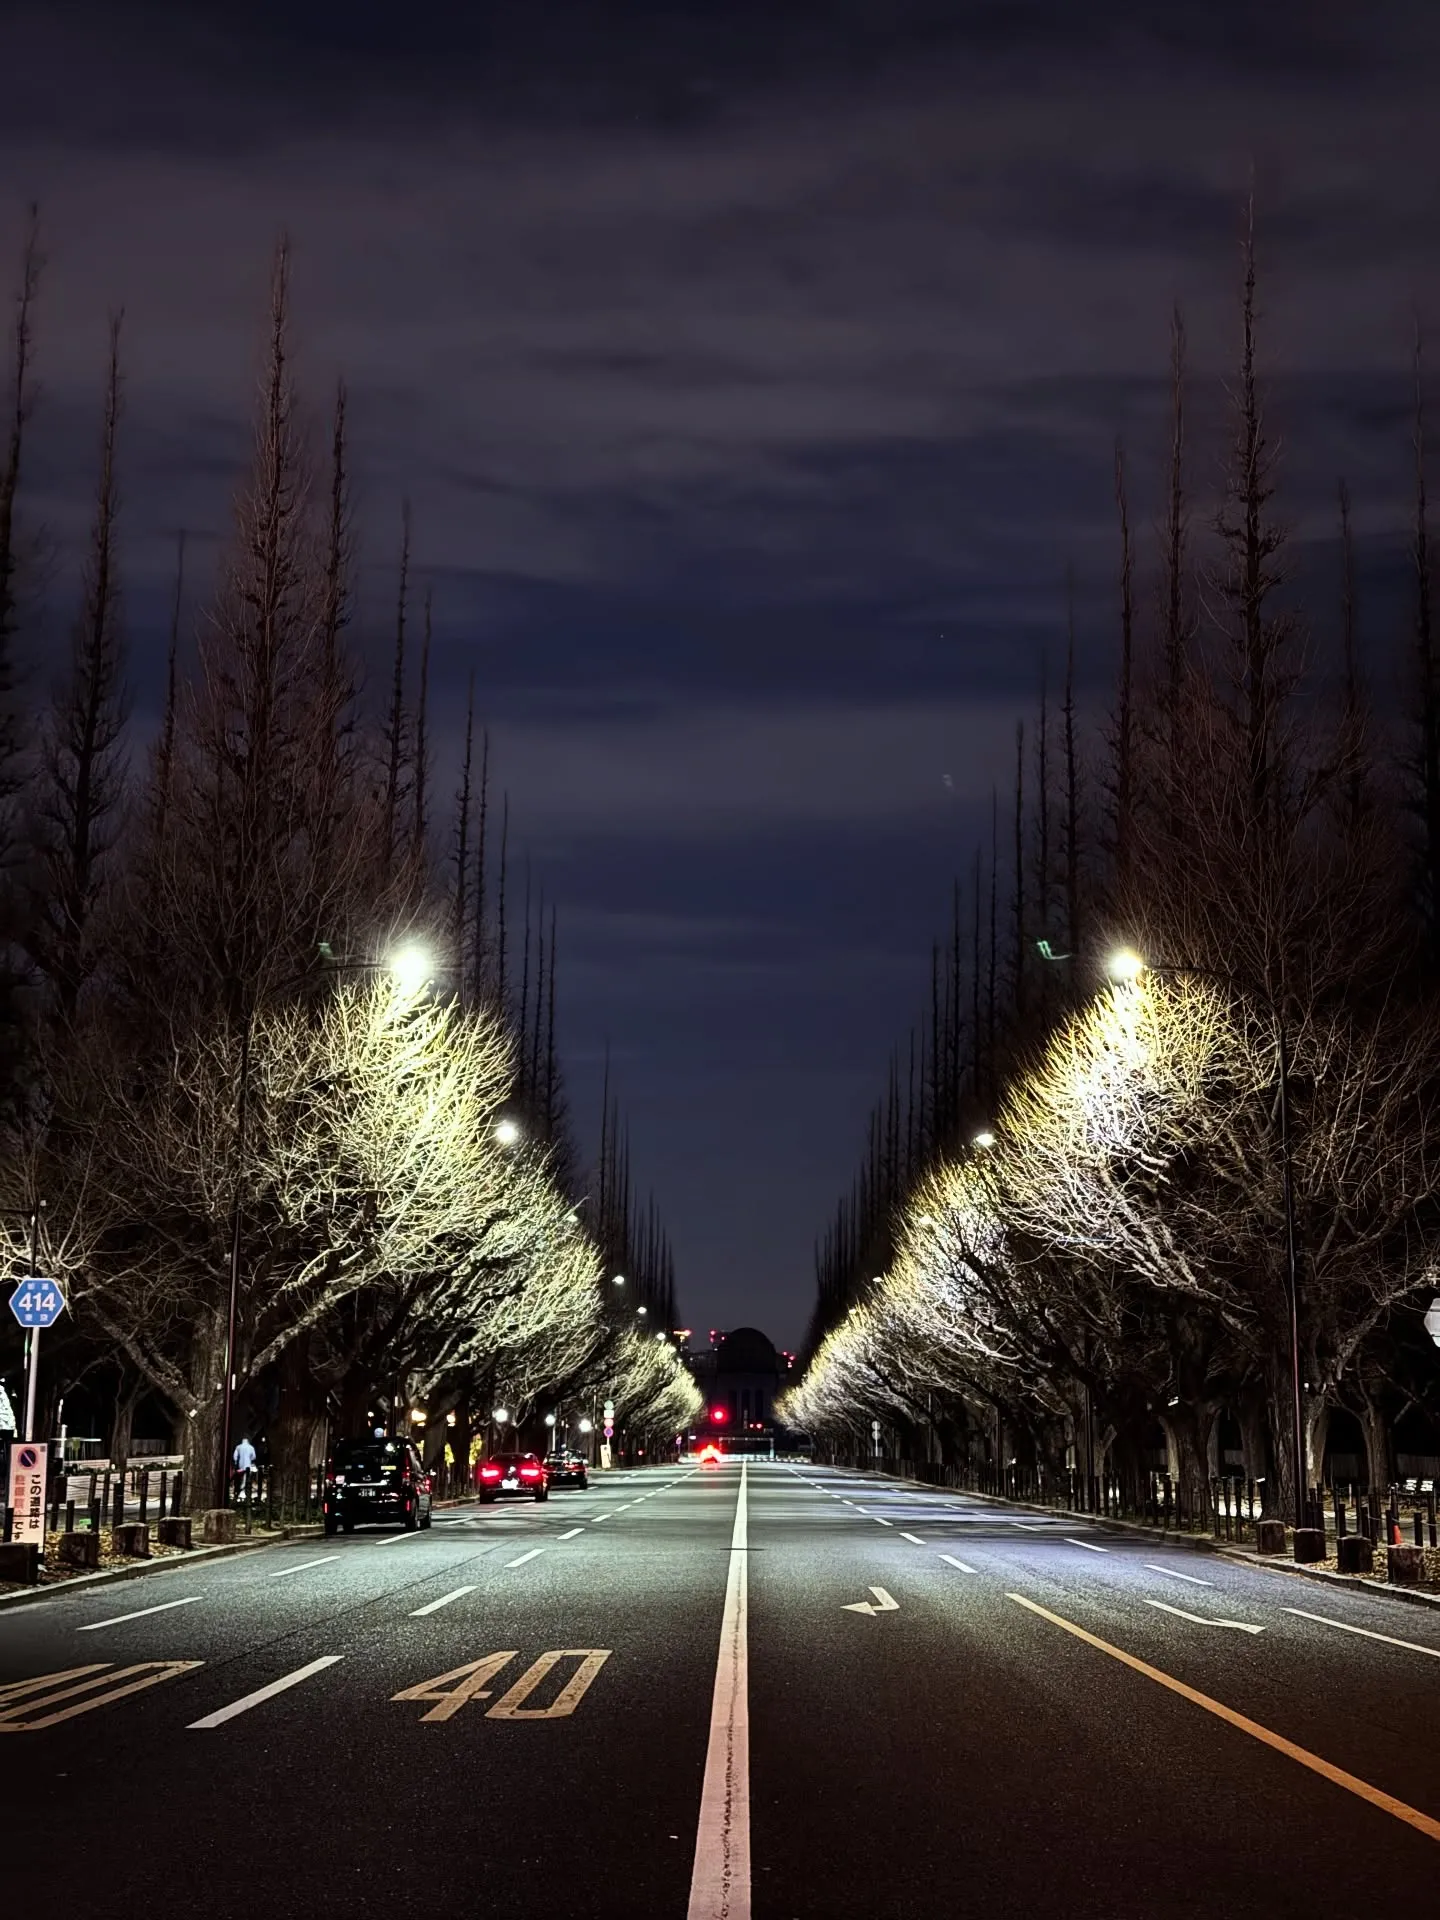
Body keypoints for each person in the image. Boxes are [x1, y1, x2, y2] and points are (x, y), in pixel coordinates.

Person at [233, 1434, 257, 1501]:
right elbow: (254, 1457)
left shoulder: (238, 1447)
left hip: (240, 1465)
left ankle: (239, 1491)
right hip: (248, 1465)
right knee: (246, 1478)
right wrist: (250, 1459)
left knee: (239, 1478)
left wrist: (235, 1463)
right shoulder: (251, 1447)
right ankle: (243, 1492)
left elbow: (235, 1457)